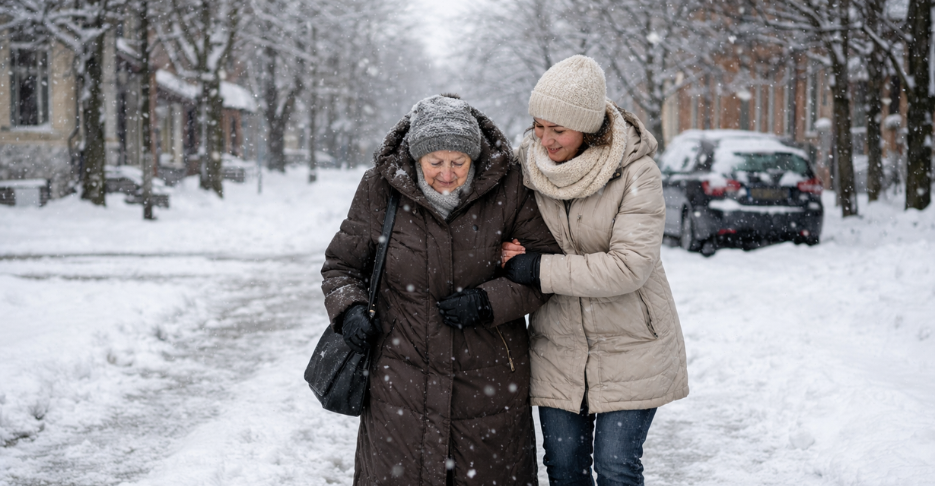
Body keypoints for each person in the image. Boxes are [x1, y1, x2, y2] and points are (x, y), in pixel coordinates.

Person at [321, 94, 562, 486]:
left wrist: (488, 302)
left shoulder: (509, 187)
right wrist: (349, 310)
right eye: (435, 162)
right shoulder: (380, 189)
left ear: (475, 158)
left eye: (458, 162)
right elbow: (342, 266)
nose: (447, 174)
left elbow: (544, 269)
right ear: (417, 158)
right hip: (399, 381)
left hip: (488, 383)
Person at [501, 55, 690, 486]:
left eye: (558, 130)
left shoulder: (636, 173)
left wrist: (538, 267)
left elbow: (628, 267)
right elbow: (505, 231)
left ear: (588, 128)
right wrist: (508, 251)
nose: (545, 141)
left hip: (632, 345)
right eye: (539, 126)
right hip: (558, 345)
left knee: (616, 468)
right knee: (564, 468)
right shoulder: (526, 170)